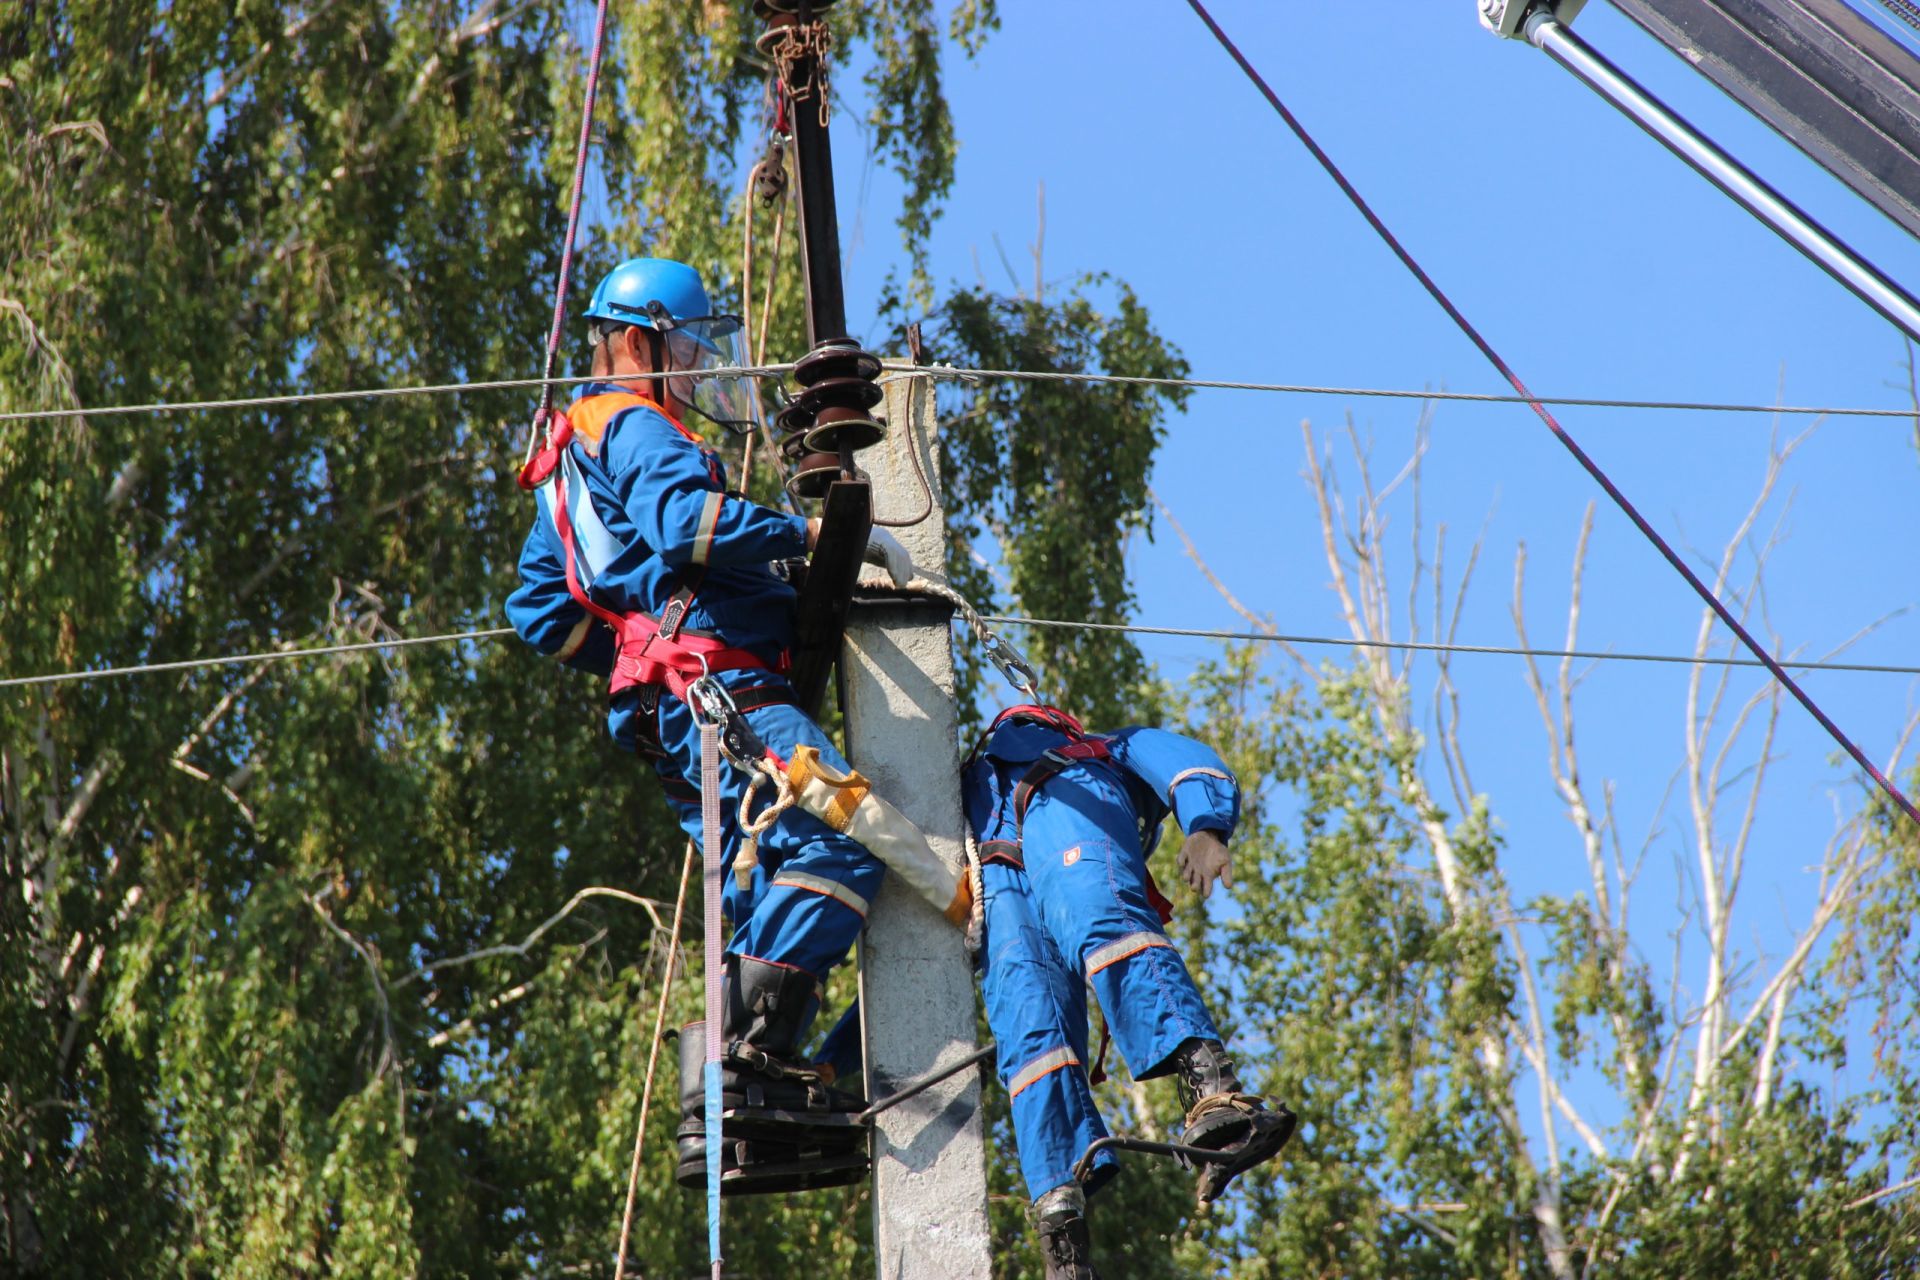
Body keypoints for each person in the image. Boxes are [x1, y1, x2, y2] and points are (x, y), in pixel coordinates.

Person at [505, 257, 914, 1180]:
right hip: (722, 697)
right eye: (689, 349)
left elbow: (538, 608)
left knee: (753, 883)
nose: (695, 371)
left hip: (672, 714)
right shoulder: (637, 426)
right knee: (845, 839)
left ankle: (734, 1102)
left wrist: (634, 651)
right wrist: (801, 536)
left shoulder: (570, 457)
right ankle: (753, 1061)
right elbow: (691, 528)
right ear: (641, 339)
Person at [961, 704, 1295, 1280]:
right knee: (1029, 1029)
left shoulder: (1101, 756)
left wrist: (1204, 827)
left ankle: (1211, 1086)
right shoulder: (1036, 769)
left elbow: (1188, 764)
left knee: (1097, 911)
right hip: (999, 872)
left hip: (1053, 816)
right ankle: (1062, 1228)